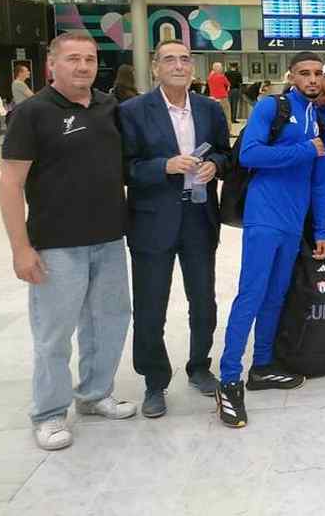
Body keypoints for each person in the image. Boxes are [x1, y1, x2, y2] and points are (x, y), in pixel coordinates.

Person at [0, 33, 135, 451]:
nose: (82, 67)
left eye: (90, 59)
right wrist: (21, 248)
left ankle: (94, 395)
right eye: (73, 59)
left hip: (110, 239)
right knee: (54, 334)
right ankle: (49, 413)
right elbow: (10, 183)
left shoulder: (108, 107)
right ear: (51, 66)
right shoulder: (32, 112)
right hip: (56, 245)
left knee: (109, 322)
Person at [215, 51, 325, 429]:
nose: (312, 80)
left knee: (276, 294)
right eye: (305, 73)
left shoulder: (320, 119)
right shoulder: (272, 107)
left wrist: (321, 231)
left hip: (293, 222)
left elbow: (319, 180)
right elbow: (250, 154)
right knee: (251, 294)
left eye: (318, 74)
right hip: (263, 216)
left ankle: (262, 365)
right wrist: (303, 149)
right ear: (292, 75)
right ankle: (229, 378)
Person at [118, 40, 231, 418]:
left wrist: (215, 164)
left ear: (193, 68)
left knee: (204, 300)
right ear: (155, 68)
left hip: (199, 218)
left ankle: (199, 365)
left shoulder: (210, 109)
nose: (179, 65)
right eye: (169, 59)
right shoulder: (134, 111)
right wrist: (163, 166)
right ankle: (154, 380)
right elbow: (125, 167)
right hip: (153, 220)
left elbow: (224, 153)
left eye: (185, 59)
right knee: (151, 305)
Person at [207, 62, 232, 128]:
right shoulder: (222, 77)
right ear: (217, 68)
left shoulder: (210, 77)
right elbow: (228, 85)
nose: (222, 69)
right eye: (221, 67)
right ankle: (228, 130)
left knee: (215, 115)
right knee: (227, 115)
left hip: (213, 98)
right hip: (223, 97)